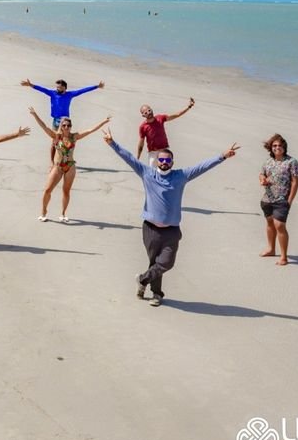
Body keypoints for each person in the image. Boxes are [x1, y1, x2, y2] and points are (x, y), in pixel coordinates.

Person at [103, 127, 240, 306]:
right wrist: (112, 143)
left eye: (168, 160)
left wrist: (222, 156)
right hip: (150, 228)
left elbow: (201, 167)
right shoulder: (147, 173)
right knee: (154, 262)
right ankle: (156, 295)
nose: (164, 162)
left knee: (166, 262)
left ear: (172, 162)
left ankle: (143, 280)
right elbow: (129, 158)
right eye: (161, 160)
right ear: (157, 161)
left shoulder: (181, 176)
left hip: (171, 230)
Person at [28, 108, 111, 223]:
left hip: (70, 167)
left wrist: (104, 122)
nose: (67, 127)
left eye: (69, 125)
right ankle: (43, 212)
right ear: (61, 126)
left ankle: (63, 213)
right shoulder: (56, 136)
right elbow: (44, 127)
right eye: (64, 125)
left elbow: (90, 130)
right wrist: (35, 115)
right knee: (47, 190)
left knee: (66, 191)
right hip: (58, 166)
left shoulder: (74, 137)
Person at [258, 133, 298, 266]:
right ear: (271, 148)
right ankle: (271, 249)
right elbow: (261, 174)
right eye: (274, 146)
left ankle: (283, 256)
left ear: (284, 147)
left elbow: (295, 182)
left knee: (280, 225)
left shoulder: (291, 162)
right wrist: (262, 180)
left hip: (282, 199)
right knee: (270, 223)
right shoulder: (268, 161)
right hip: (267, 199)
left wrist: (290, 200)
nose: (277, 148)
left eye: (280, 145)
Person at [20, 77, 105, 129]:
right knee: (54, 141)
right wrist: (31, 85)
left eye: (59, 88)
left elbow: (82, 90)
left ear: (65, 88)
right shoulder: (52, 93)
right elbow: (42, 89)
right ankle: (52, 159)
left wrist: (96, 86)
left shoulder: (70, 94)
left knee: (63, 140)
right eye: (57, 87)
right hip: (55, 120)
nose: (57, 89)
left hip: (65, 121)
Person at [137, 98, 195, 165]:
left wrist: (189, 107)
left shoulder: (160, 118)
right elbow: (141, 144)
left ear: (152, 110)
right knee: (152, 173)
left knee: (166, 170)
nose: (149, 113)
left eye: (149, 110)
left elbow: (177, 115)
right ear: (143, 115)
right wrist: (138, 158)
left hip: (164, 151)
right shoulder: (143, 127)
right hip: (153, 153)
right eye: (146, 112)